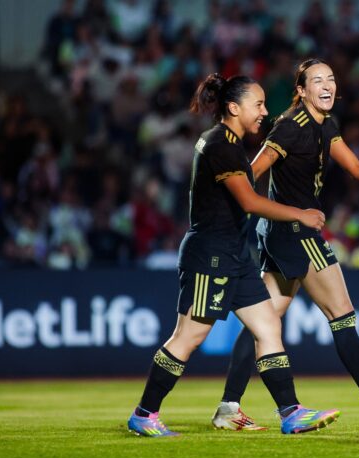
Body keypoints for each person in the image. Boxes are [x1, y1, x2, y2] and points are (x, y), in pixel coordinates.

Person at [211, 59, 359, 431]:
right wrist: (230, 210)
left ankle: (228, 407)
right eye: (317, 80)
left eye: (331, 79)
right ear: (301, 90)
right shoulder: (290, 127)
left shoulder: (326, 125)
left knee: (263, 321)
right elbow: (253, 170)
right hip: (295, 232)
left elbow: (356, 168)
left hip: (280, 232)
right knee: (342, 314)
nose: (327, 85)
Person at [127, 73, 340, 437]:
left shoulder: (227, 142)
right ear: (234, 107)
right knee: (189, 336)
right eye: (258, 104)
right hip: (210, 255)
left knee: (268, 325)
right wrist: (299, 214)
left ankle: (290, 412)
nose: (264, 112)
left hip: (235, 255)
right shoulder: (220, 145)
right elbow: (249, 201)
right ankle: (144, 414)